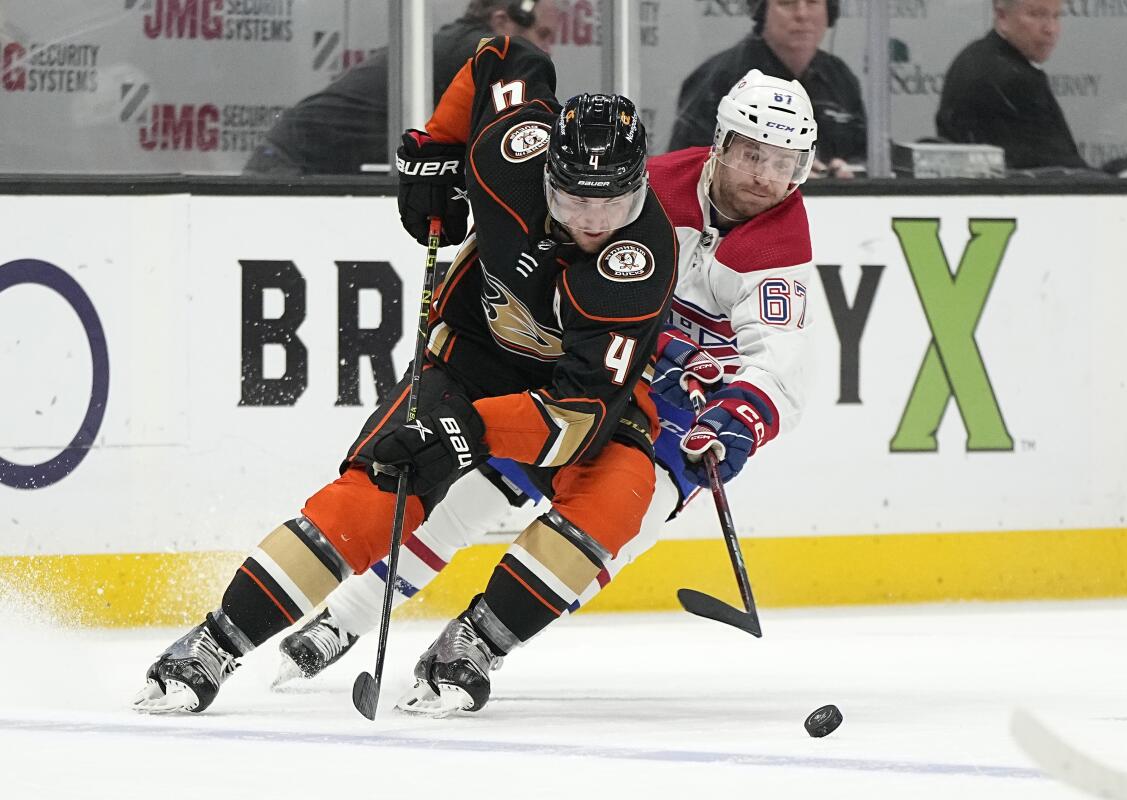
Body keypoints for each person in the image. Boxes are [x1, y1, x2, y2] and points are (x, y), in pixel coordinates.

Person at [132, 34, 679, 715]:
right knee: (377, 493)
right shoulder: (511, 152)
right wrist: (436, 148)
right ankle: (215, 642)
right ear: (546, 172)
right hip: (470, 357)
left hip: (571, 395)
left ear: (641, 189)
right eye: (574, 200)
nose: (594, 221)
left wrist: (469, 431)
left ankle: (474, 644)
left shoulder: (641, 263)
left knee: (623, 488)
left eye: (613, 203)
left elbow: (576, 417)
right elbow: (504, 56)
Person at [274, 70, 819, 717]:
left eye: (783, 163)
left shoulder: (781, 250)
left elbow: (777, 368)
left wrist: (734, 422)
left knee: (607, 532)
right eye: (753, 153)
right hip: (585, 372)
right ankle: (345, 618)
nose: (764, 176)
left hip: (676, 417)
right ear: (722, 143)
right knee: (469, 491)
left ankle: (475, 643)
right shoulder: (646, 184)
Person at [242, 0, 559, 176]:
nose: (548, 49)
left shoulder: (458, 48)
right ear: (503, 21)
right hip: (290, 169)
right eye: (543, 34)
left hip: (299, 165)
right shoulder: (479, 53)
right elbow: (523, 137)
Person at [668, 0, 862, 179]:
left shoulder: (839, 78)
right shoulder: (718, 79)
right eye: (787, 2)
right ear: (762, 11)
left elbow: (873, 154)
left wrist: (851, 168)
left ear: (830, 10)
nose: (802, 14)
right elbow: (685, 171)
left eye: (812, 1)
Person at [936, 0, 1087, 171]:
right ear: (1002, 16)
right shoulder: (1014, 80)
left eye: (1056, 16)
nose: (1050, 29)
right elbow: (1064, 175)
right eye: (1036, 15)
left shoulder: (972, 57)